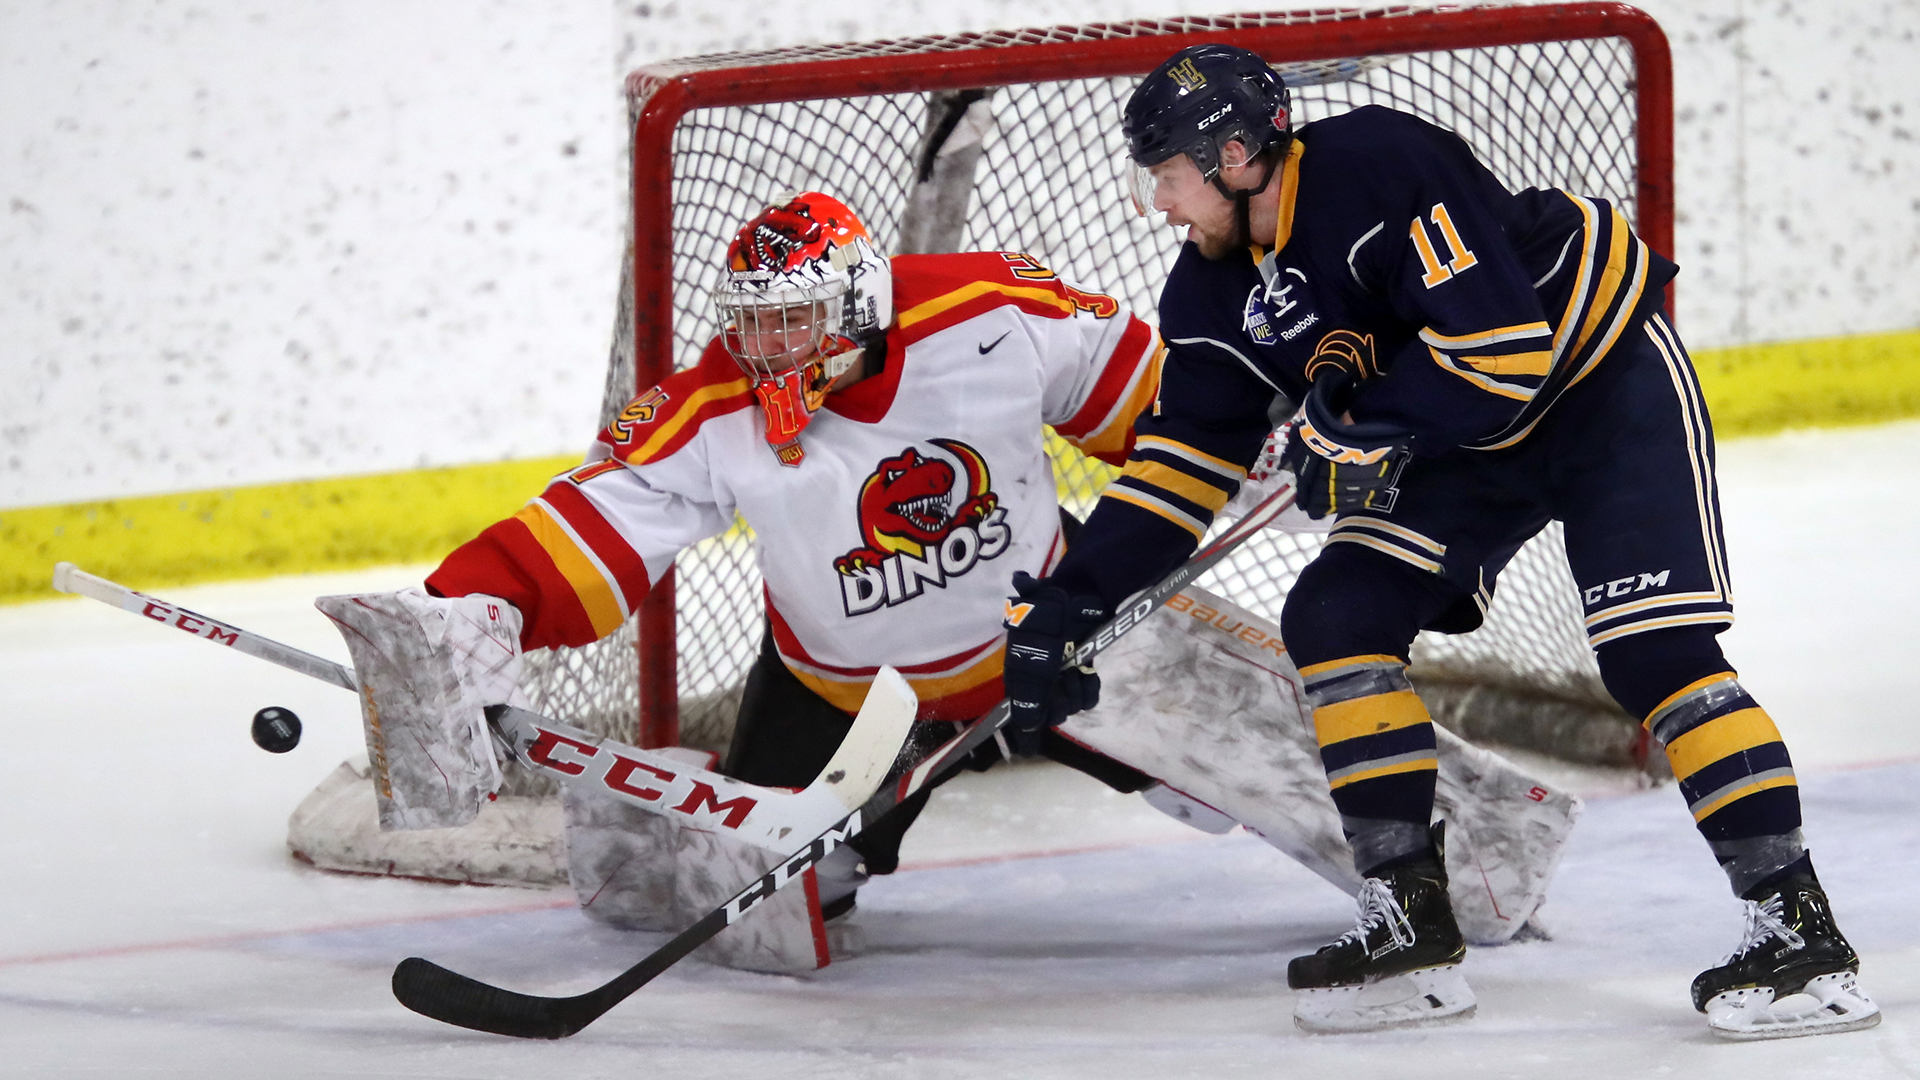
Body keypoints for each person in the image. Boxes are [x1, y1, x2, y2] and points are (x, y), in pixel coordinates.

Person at [315, 190, 1575, 977]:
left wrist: (1265, 451)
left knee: (1269, 765)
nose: (769, 353)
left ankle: (1456, 861)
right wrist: (477, 606)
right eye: (753, 325)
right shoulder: (716, 408)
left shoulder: (989, 314)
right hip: (841, 694)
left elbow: (1154, 401)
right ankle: (786, 849)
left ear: (860, 304)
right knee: (771, 911)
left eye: (795, 323)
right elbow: (598, 523)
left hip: (1062, 635)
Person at [1000, 43, 1879, 1039]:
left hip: (1599, 390)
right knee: (1336, 615)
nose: (1155, 203)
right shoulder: (1211, 296)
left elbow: (1504, 349)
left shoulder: (1378, 162)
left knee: (1653, 656)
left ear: (1235, 155)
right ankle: (1410, 923)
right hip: (1466, 444)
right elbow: (1181, 464)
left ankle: (1800, 932)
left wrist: (1359, 431)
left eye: (1165, 176)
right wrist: (1078, 598)